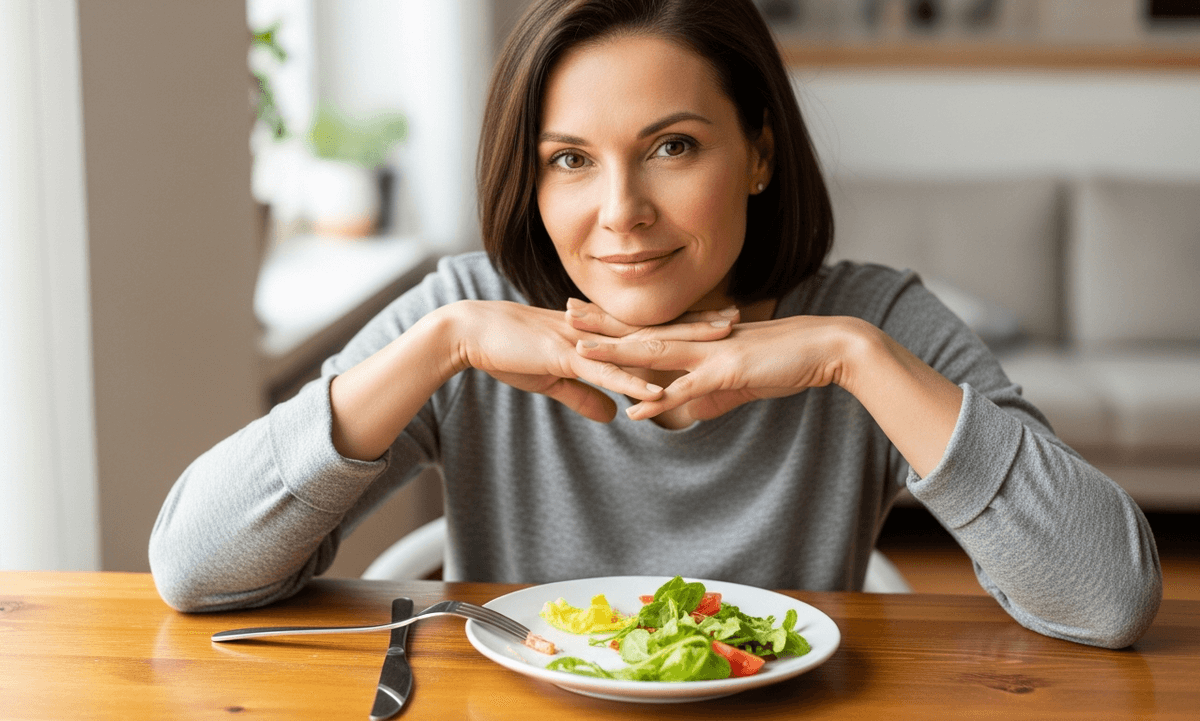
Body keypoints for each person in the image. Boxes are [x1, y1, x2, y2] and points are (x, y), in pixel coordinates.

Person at [149, 0, 1161, 649]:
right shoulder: (465, 311)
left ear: (759, 153)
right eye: (570, 160)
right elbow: (194, 568)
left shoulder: (871, 323)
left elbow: (1109, 594)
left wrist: (853, 359)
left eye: (672, 146)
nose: (621, 211)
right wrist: (439, 345)